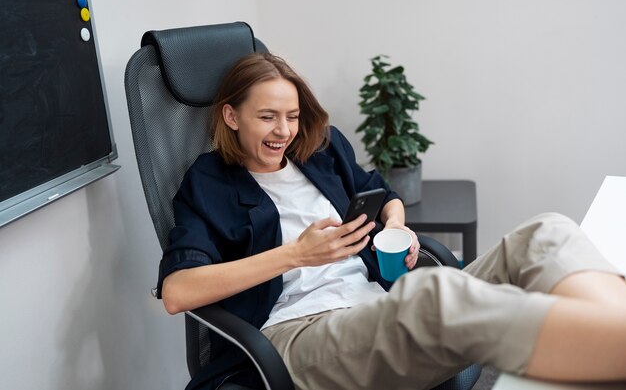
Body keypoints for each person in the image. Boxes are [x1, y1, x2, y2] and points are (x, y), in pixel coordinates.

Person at [158, 52, 626, 390]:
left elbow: (382, 194)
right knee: (444, 292)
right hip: (300, 335)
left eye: (292, 116)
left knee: (545, 233)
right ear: (231, 116)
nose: (284, 131)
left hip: (373, 305)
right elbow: (179, 292)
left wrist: (396, 224)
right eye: (267, 117)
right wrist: (295, 255)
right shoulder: (207, 184)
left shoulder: (318, 151)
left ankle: (612, 331)